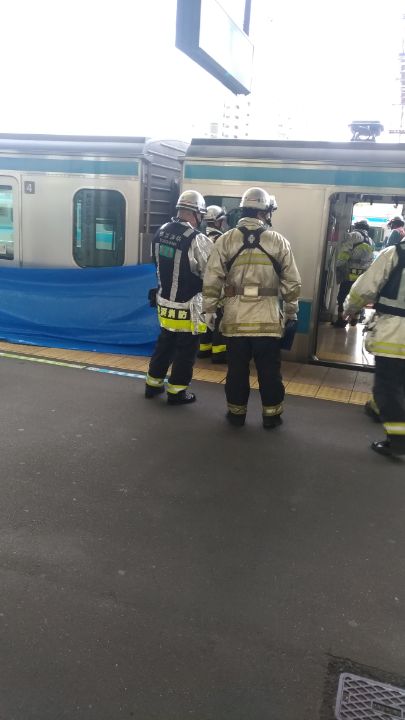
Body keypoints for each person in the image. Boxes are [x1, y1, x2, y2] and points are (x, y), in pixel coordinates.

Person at [202, 186, 301, 428]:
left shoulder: (226, 240)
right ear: (265, 212)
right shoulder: (278, 241)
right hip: (267, 320)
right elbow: (292, 282)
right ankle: (272, 416)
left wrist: (209, 309)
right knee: (269, 371)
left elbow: (212, 278)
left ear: (244, 210)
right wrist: (290, 311)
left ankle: (236, 414)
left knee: (236, 370)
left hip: (235, 320)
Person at [145, 190, 213, 405]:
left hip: (164, 304)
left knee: (164, 344)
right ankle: (177, 392)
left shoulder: (160, 232)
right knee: (186, 351)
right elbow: (210, 273)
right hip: (189, 308)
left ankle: (152, 385)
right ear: (197, 214)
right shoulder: (197, 239)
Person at [344, 238, 405, 457]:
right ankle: (378, 409)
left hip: (395, 335)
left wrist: (350, 308)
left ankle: (398, 440)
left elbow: (365, 289)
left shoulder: (394, 253)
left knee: (387, 387)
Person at [198, 204, 228, 363]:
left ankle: (204, 350)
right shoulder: (221, 240)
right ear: (219, 222)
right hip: (218, 287)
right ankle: (219, 354)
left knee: (206, 318)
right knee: (220, 320)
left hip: (202, 288)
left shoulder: (201, 239)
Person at [332, 219, 374, 328]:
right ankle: (355, 318)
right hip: (361, 276)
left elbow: (345, 252)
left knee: (342, 296)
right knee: (357, 297)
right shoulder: (370, 240)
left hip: (349, 274)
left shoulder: (352, 235)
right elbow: (371, 260)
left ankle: (341, 319)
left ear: (356, 226)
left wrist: (338, 265)